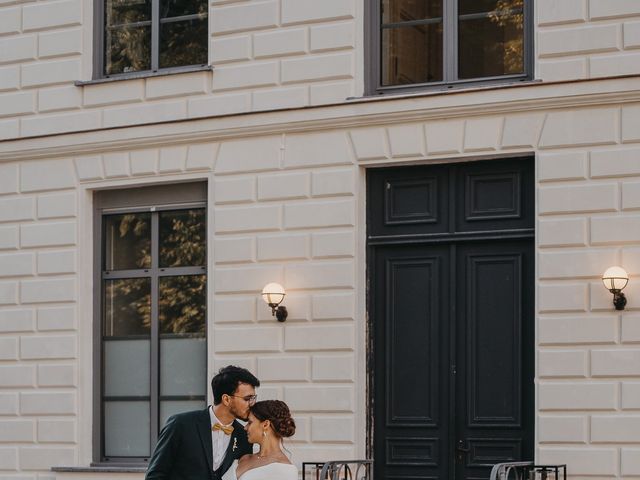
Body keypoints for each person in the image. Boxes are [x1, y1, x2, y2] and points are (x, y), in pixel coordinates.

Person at [145, 365, 260, 480]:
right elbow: (155, 475)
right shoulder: (180, 424)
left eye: (253, 398)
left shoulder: (244, 437)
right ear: (226, 399)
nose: (252, 404)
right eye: (247, 399)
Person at [223, 400, 298, 480]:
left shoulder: (286, 470)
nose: (245, 427)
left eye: (250, 422)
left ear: (265, 424)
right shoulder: (244, 458)